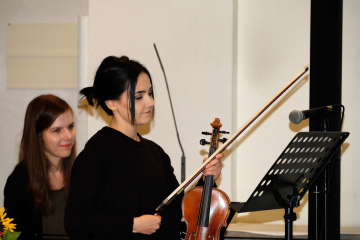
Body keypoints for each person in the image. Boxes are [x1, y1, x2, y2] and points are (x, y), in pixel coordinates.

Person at [65, 56, 223, 240]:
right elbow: (75, 218)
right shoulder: (97, 153)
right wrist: (132, 225)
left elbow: (180, 213)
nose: (150, 102)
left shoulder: (156, 153)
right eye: (139, 96)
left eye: (150, 93)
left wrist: (206, 180)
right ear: (111, 103)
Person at [3, 94, 76, 240]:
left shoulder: (82, 173)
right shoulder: (18, 182)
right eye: (57, 130)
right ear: (38, 135)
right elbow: (9, 237)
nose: (68, 136)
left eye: (70, 126)